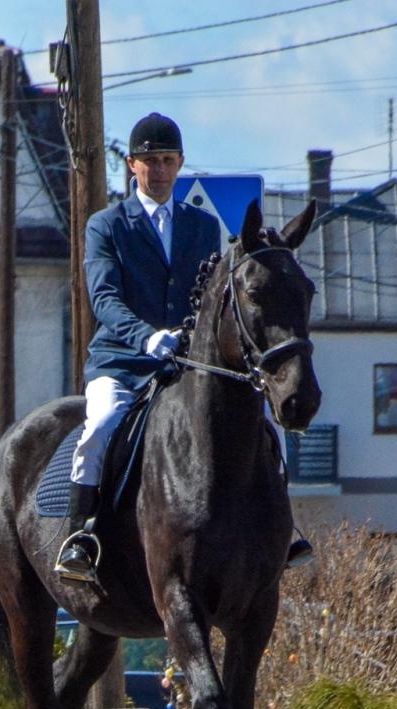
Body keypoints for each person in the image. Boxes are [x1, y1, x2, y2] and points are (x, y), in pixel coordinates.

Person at [55, 113, 313, 580]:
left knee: (263, 429)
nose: (159, 171)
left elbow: (209, 296)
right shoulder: (106, 225)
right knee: (102, 426)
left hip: (186, 363)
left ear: (180, 164)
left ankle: (284, 527)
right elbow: (104, 298)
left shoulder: (200, 225)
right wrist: (147, 336)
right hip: (124, 360)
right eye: (149, 161)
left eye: (168, 161)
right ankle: (83, 534)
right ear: (132, 165)